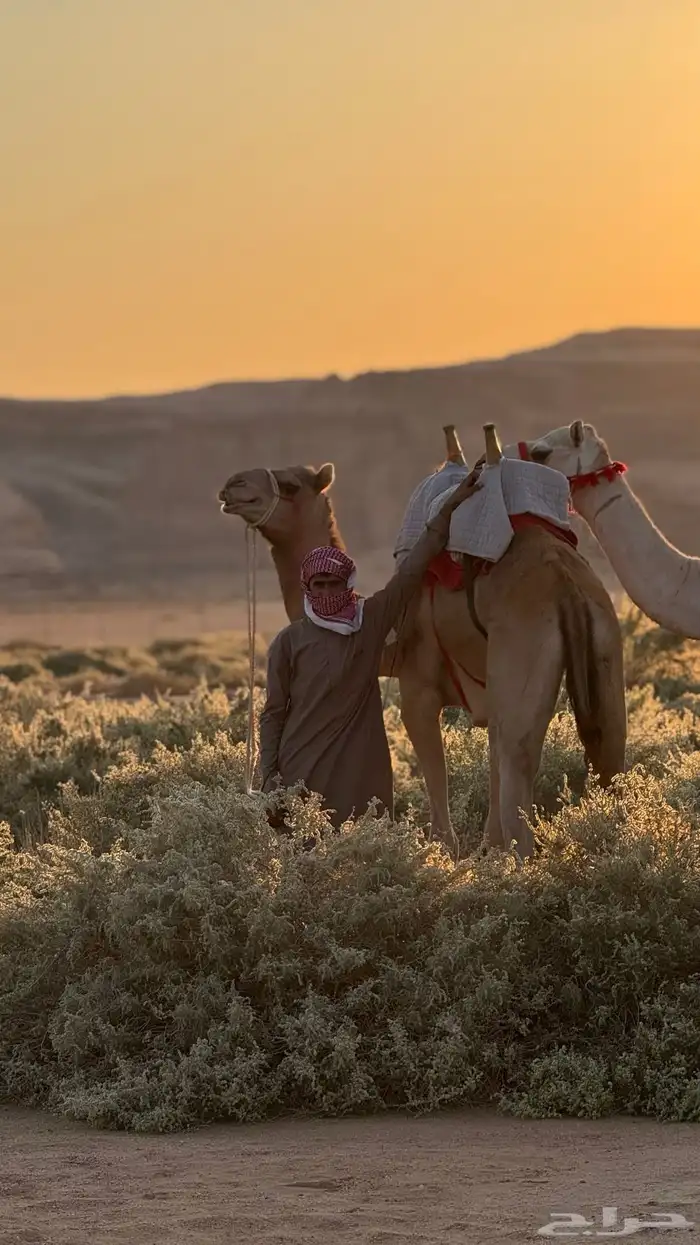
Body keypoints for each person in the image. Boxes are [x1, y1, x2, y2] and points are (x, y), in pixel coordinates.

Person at [258, 468, 483, 829]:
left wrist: (450, 506)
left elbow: (413, 568)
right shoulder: (289, 641)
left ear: (348, 584)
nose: (328, 593)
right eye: (319, 584)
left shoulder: (370, 622)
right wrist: (266, 778)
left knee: (366, 858)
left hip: (360, 774)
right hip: (300, 773)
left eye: (335, 584)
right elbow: (272, 715)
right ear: (307, 586)